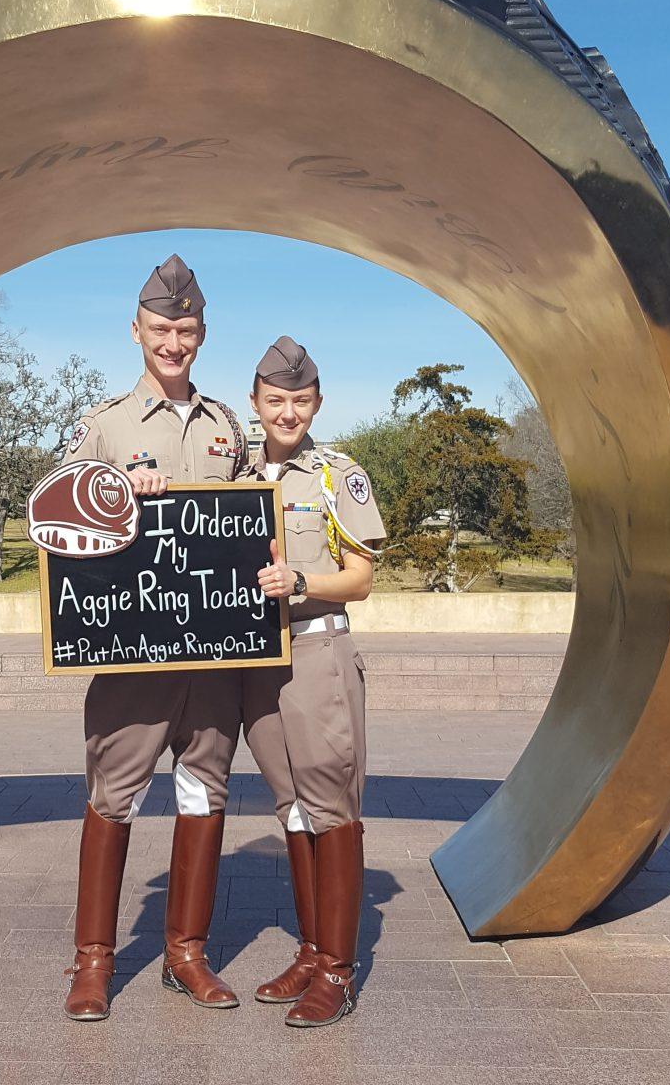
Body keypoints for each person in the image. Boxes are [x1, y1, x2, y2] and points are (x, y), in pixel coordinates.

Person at [61, 254, 248, 1021]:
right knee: (113, 799)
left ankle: (186, 955)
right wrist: (111, 492)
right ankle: (94, 963)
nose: (174, 341)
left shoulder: (227, 425)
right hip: (131, 660)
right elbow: (57, 519)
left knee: (205, 796)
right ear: (136, 331)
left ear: (201, 334)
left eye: (187, 329)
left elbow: (247, 526)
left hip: (211, 663)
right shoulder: (104, 423)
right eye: (162, 328)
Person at [242, 336, 386, 1028]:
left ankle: (338, 970)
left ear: (317, 403)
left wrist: (302, 580)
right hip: (255, 663)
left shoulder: (337, 475)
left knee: (331, 807)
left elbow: (360, 578)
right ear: (255, 403)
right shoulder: (235, 474)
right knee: (291, 808)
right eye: (275, 401)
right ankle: (309, 949)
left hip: (317, 654)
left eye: (300, 401)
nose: (287, 413)